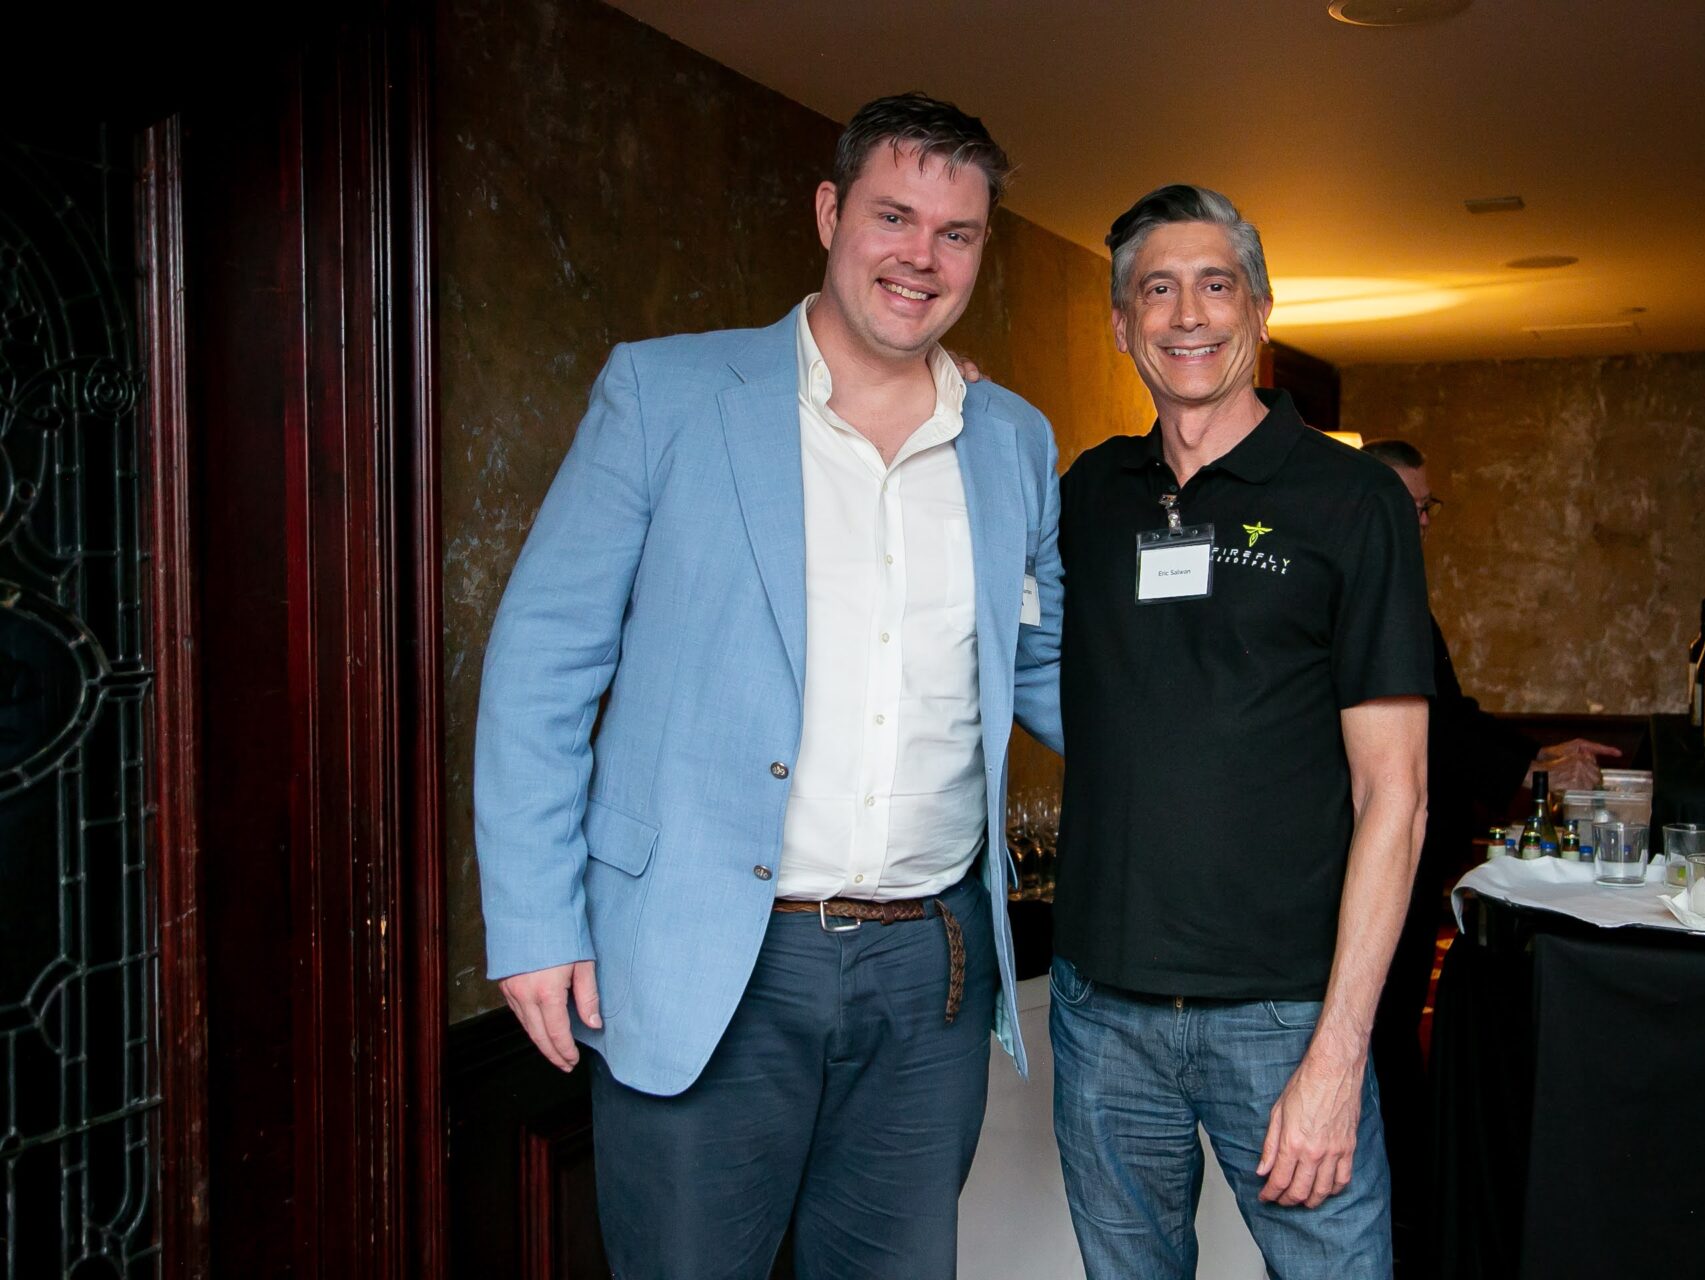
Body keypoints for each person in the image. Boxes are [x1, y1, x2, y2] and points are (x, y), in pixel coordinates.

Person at [473, 93, 1066, 1279]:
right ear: (830, 211)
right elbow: (543, 660)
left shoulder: (1012, 438)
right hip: (711, 957)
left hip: (930, 969)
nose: (922, 256)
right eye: (894, 216)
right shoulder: (665, 395)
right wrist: (534, 922)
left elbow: (1047, 665)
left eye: (956, 232)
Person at [1049, 184, 1432, 1278]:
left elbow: (1395, 797)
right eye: (1156, 290)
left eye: (1216, 285)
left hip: (1285, 1016)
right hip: (1102, 1012)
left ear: (1260, 310)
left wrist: (1338, 1053)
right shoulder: (1089, 492)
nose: (1188, 315)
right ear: (1121, 324)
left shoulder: (1352, 499)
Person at [1359, 438, 1619, 1272]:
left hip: (1417, 853)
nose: (1423, 524)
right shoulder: (1357, 593)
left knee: (1392, 1031)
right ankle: (1400, 1224)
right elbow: (1427, 731)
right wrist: (1526, 768)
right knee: (1378, 1040)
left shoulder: (1400, 591)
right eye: (1409, 507)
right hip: (1371, 860)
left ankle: (1409, 1216)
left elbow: (1452, 713)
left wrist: (1534, 756)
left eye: (1427, 508)